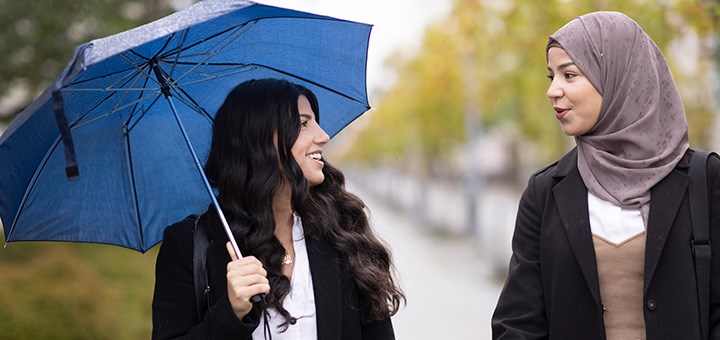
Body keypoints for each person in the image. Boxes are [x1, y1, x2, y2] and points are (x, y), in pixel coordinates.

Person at [492, 11, 720, 339]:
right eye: (551, 76)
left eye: (569, 75)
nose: (553, 91)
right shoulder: (545, 193)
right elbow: (517, 323)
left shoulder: (705, 180)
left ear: (619, 77)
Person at [151, 78, 404, 339]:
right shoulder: (189, 244)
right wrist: (230, 313)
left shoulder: (342, 229)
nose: (323, 136)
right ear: (258, 141)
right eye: (303, 124)